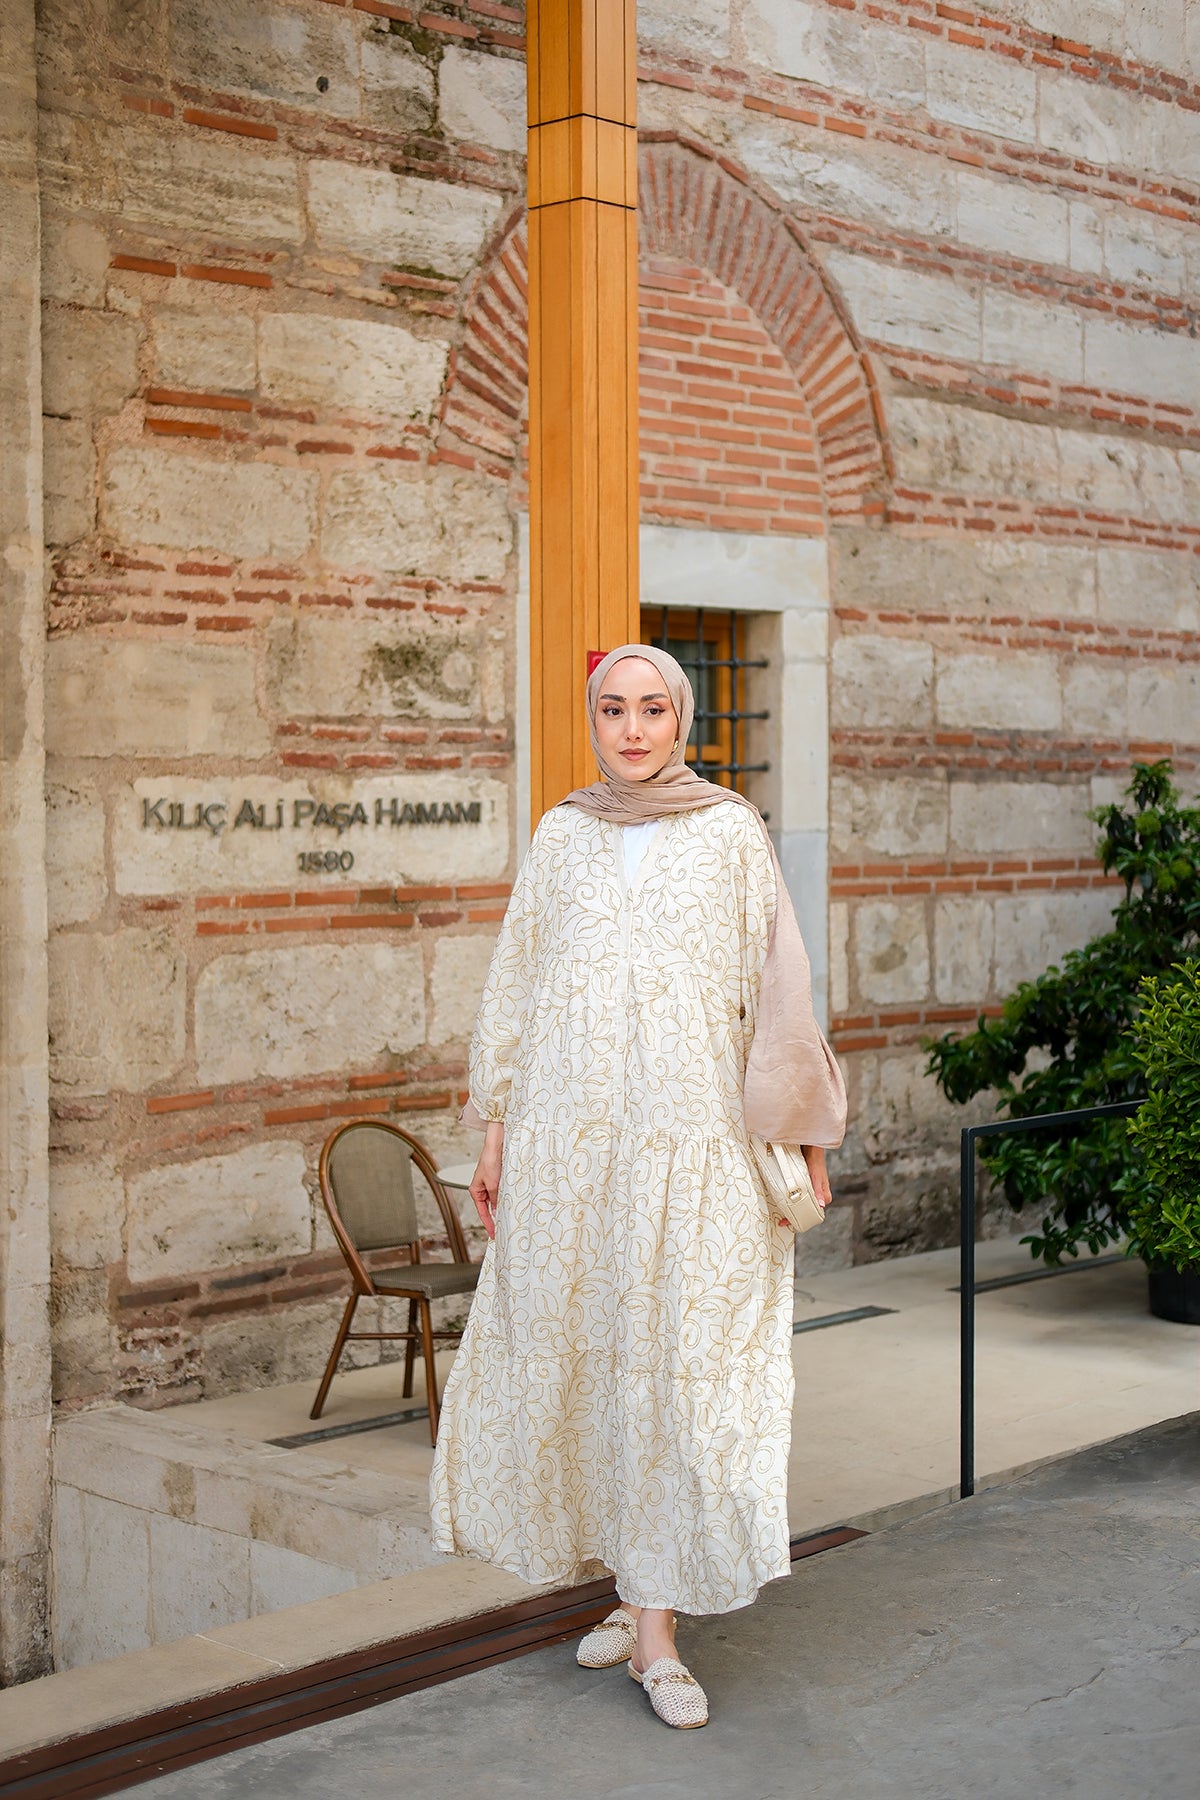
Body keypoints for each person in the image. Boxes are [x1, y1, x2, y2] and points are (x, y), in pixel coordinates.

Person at [429, 644, 846, 1729]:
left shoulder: (729, 832)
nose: (632, 730)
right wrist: (496, 1134)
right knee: (595, 1356)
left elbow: (780, 994)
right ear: (593, 720)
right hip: (571, 1151)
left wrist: (805, 1133)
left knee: (678, 1369)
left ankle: (656, 1636)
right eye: (612, 709)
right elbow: (518, 982)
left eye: (652, 709)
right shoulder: (562, 834)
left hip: (691, 1147)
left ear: (681, 718)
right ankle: (634, 1589)